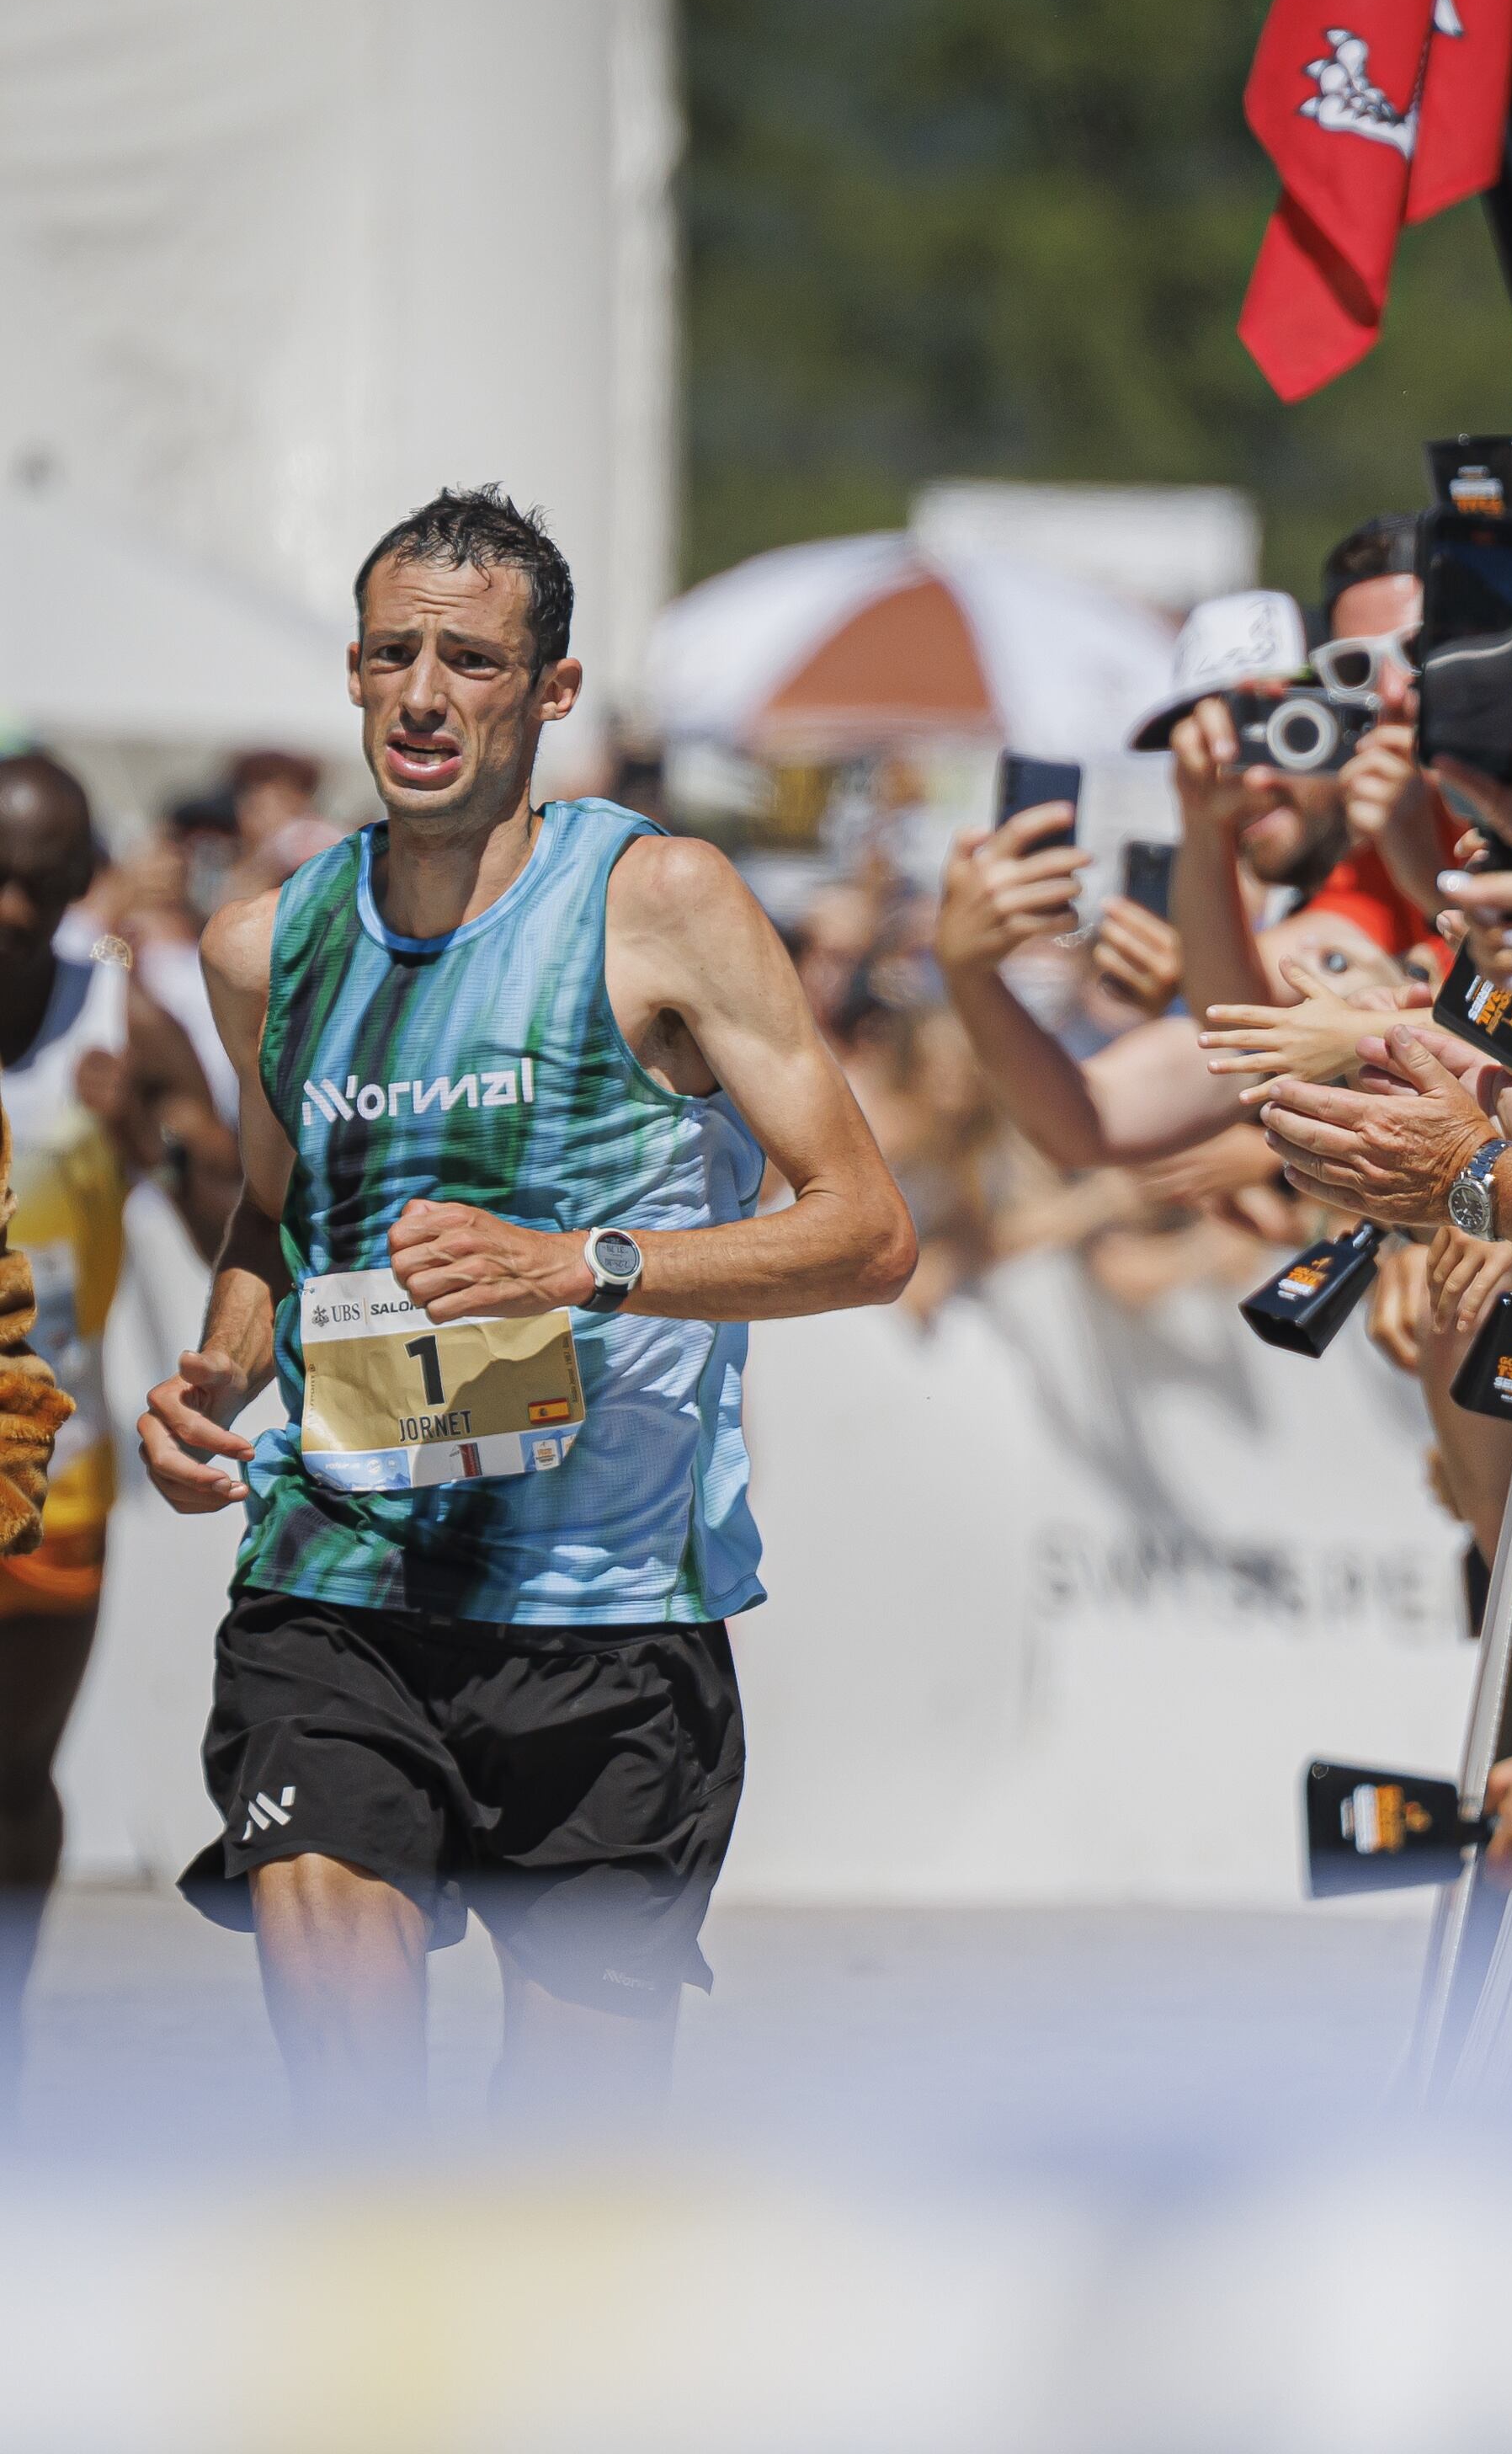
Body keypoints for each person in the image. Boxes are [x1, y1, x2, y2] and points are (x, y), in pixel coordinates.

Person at [134, 487, 915, 2125]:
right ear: (352, 672)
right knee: (353, 2118)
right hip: (340, 1580)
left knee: (559, 2168)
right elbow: (274, 1217)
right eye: (394, 653)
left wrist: (585, 1264)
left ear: (549, 694)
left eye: (471, 660)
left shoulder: (664, 902)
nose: (424, 694)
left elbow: (863, 1232)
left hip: (608, 1615)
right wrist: (213, 1368)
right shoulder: (262, 947)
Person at [0, 752, 242, 2058]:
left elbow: (236, 1222)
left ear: (82, 882)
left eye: (41, 884)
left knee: (12, 1780)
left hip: (52, 1474)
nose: (13, 912)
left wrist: (151, 1149)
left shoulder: (120, 1025)